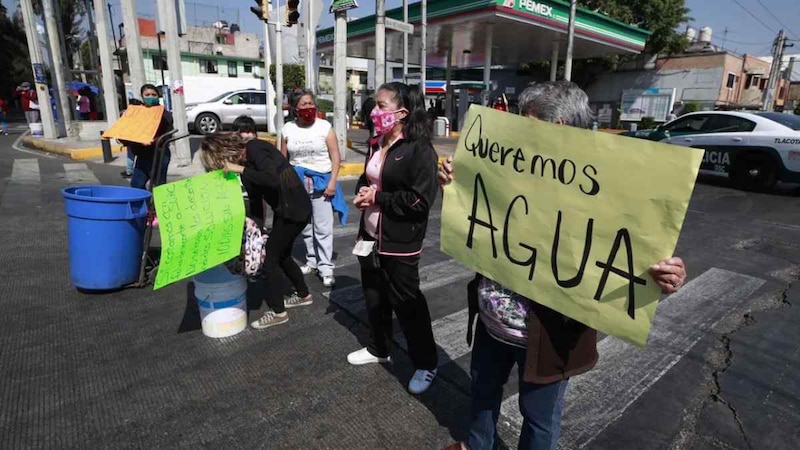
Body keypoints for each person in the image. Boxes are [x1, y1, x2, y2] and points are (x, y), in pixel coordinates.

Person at [437, 81, 688, 450]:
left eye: (532, 126)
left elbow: (637, 246)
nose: (522, 133)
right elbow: (478, 215)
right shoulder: (507, 163)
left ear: (566, 129)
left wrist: (669, 274)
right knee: (483, 393)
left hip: (548, 337)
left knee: (539, 420)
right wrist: (456, 184)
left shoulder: (608, 185)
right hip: (492, 324)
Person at [347, 82, 441, 395]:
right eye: (375, 105)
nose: (374, 111)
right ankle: (379, 347)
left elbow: (420, 202)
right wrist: (364, 191)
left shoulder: (420, 150)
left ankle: (427, 363)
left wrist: (378, 198)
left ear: (401, 112)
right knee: (374, 296)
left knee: (408, 304)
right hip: (370, 235)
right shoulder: (377, 142)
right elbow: (370, 177)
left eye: (381, 105)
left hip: (401, 243)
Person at [200, 132, 313, 330]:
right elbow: (256, 201)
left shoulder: (255, 148)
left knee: (270, 260)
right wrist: (257, 230)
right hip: (285, 210)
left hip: (295, 209)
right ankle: (304, 295)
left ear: (222, 153)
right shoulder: (245, 167)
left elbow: (272, 180)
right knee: (283, 254)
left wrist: (240, 169)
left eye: (218, 163)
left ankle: (278, 312)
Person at [281, 88, 346, 288]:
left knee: (323, 229)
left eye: (311, 103)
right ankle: (312, 260)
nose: (309, 107)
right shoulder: (287, 129)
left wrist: (332, 182)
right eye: (304, 104)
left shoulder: (324, 127)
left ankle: (326, 268)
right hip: (297, 186)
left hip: (322, 184)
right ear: (294, 108)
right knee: (306, 227)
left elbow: (336, 156)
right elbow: (283, 160)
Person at [120, 84, 173, 190]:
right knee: (137, 186)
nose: (151, 97)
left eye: (154, 95)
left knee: (158, 187)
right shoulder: (136, 113)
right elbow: (128, 132)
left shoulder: (164, 114)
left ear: (158, 96)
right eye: (147, 95)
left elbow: (167, 135)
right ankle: (142, 206)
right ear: (142, 96)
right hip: (143, 155)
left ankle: (157, 206)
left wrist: (153, 140)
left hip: (160, 155)